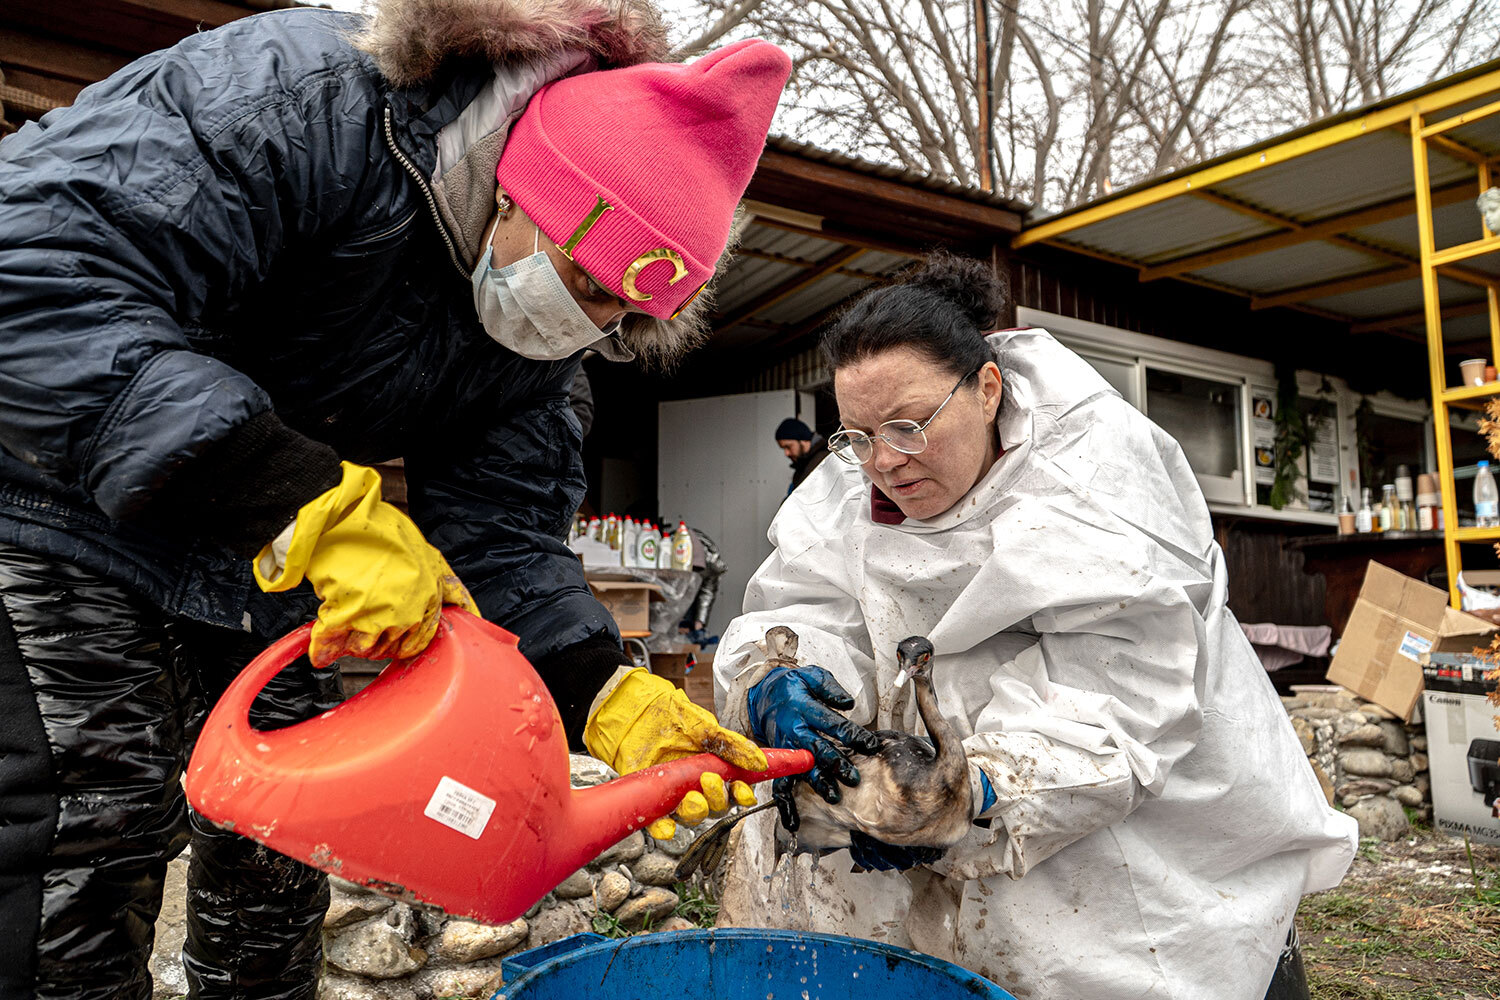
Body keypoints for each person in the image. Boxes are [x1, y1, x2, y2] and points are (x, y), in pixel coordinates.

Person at [0, 1, 789, 995]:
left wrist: (603, 687)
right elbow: (29, 273)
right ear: (524, 184)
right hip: (52, 483)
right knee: (90, 818)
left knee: (281, 846)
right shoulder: (303, 101)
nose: (589, 321)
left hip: (261, 547)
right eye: (586, 280)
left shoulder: (542, 351)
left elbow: (504, 537)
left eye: (622, 313)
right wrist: (303, 501)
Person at [711, 253, 1356, 1000]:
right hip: (925, 784)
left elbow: (1123, 694)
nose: (885, 461)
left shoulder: (1095, 475)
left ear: (987, 389)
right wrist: (778, 676)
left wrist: (972, 793)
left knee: (1115, 960)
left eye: (910, 426)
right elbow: (804, 600)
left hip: (1128, 813)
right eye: (857, 435)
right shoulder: (853, 476)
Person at [774, 417, 830, 493]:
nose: (786, 453)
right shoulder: (804, 464)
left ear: (803, 440)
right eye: (783, 448)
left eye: (788, 446)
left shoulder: (823, 461)